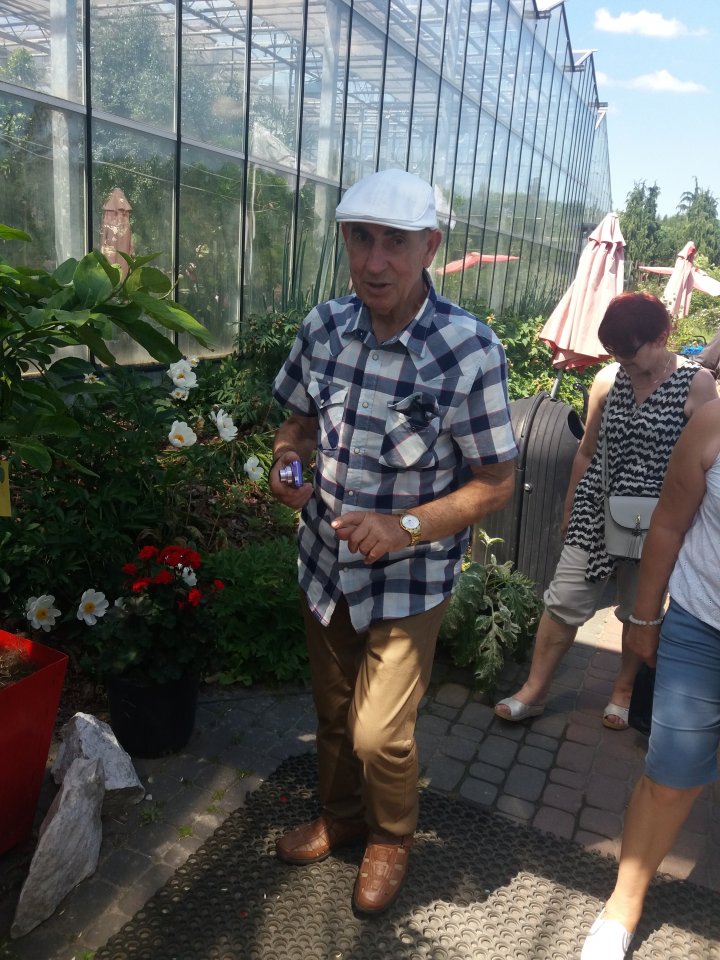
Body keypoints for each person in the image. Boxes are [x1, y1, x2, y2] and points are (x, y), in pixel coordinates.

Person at [269, 168, 518, 914]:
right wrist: (286, 466)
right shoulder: (323, 328)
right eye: (361, 239)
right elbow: (296, 425)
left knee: (380, 732)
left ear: (430, 247)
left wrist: (404, 526)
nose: (375, 262)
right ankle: (342, 816)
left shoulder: (468, 349)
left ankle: (391, 836)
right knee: (333, 711)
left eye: (395, 243)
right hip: (325, 563)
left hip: (410, 580)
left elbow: (496, 481)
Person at [495, 291, 717, 729]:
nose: (622, 361)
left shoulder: (697, 384)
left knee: (638, 610)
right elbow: (587, 450)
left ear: (662, 336)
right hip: (597, 509)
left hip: (658, 521)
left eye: (630, 352)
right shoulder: (608, 379)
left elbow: (701, 463)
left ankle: (623, 692)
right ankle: (534, 691)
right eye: (614, 352)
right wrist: (570, 505)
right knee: (563, 601)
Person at [580, 397, 720, 959]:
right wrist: (643, 618)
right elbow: (668, 520)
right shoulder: (713, 421)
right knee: (670, 775)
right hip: (703, 625)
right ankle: (624, 904)